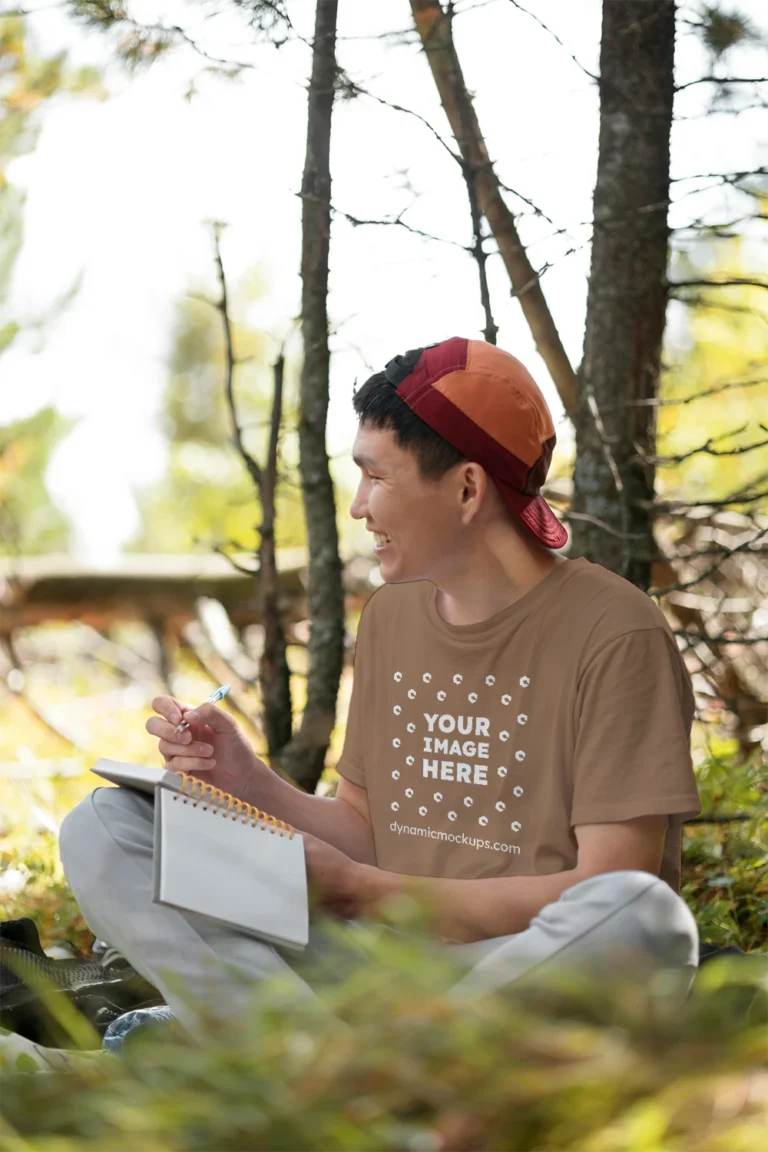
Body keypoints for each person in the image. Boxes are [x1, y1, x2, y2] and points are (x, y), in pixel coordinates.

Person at [59, 337, 701, 1026]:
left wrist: (367, 893)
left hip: (514, 968)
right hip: (365, 957)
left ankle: (302, 1055)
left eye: (376, 477)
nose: (360, 506)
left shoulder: (615, 632)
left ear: (467, 488)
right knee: (103, 827)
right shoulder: (394, 615)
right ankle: (309, 1054)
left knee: (641, 915)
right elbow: (366, 831)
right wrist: (246, 780)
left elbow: (608, 883)